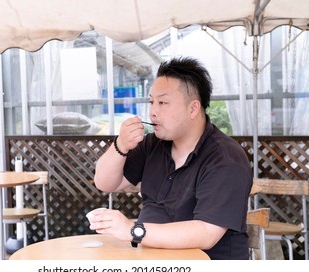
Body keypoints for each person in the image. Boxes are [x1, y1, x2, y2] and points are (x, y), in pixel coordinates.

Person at [90, 56, 253, 260]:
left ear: (193, 108)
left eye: (163, 103)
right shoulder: (152, 144)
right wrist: (120, 145)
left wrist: (133, 230)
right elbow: (105, 183)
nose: (153, 113)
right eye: (152, 102)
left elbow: (206, 233)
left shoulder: (225, 158)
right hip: (153, 260)